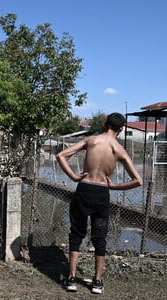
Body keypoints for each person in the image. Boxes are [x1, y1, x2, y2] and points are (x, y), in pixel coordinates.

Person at [55, 112, 143, 294]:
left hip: (84, 189)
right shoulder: (119, 149)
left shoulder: (91, 140)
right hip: (102, 193)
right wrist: (115, 187)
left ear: (105, 125)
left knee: (76, 234)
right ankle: (97, 282)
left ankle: (71, 279)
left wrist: (73, 176)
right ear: (121, 129)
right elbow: (138, 180)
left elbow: (61, 155)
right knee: (99, 238)